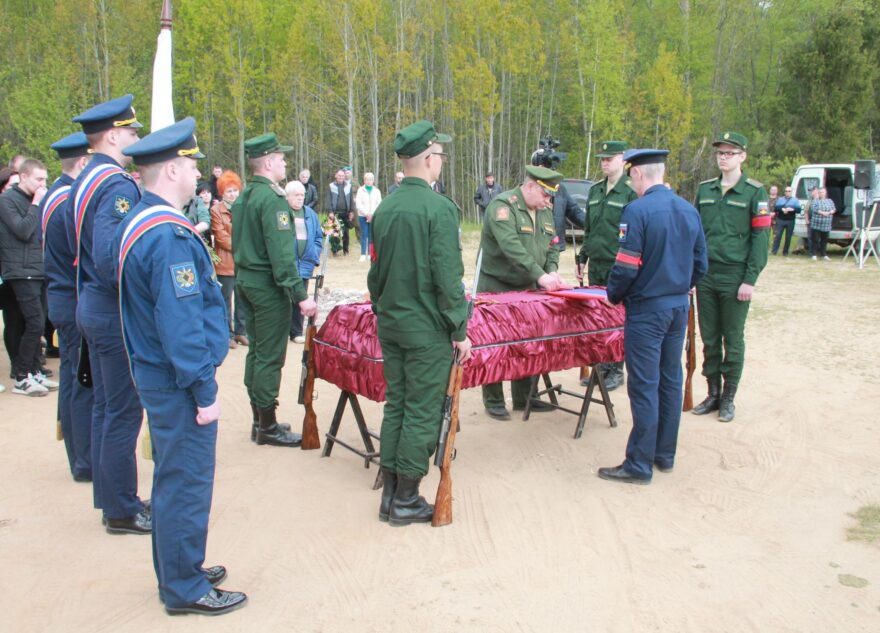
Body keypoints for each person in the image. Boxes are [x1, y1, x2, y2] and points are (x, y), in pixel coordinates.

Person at [116, 117, 246, 616]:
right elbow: (182, 325)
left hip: (159, 374)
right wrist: (204, 390)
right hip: (177, 382)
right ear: (171, 170)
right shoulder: (166, 236)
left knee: (175, 477)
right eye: (191, 165)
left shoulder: (144, 220)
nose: (198, 173)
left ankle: (179, 565)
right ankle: (184, 587)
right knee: (186, 481)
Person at [367, 119, 471, 527]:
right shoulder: (439, 209)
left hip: (392, 324)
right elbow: (447, 279)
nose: (441, 162)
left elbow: (376, 276)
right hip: (426, 329)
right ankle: (407, 499)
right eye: (440, 156)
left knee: (399, 405)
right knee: (423, 412)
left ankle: (391, 494)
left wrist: (384, 308)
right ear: (428, 159)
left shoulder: (385, 208)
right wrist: (459, 329)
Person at [597, 149, 708, 485]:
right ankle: (664, 454)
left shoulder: (637, 210)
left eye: (632, 177)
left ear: (639, 176)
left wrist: (613, 294)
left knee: (645, 385)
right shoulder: (689, 210)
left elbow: (626, 266)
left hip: (647, 310)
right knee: (670, 381)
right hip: (677, 307)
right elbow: (701, 263)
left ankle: (639, 464)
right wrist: (679, 287)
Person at [67, 94, 150, 533]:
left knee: (105, 407)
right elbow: (108, 257)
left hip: (91, 304)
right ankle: (121, 507)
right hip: (112, 309)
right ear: (114, 135)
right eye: (133, 133)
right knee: (123, 411)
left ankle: (110, 496)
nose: (136, 139)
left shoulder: (85, 178)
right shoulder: (116, 183)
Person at [232, 133, 317, 446]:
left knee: (256, 352)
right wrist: (300, 296)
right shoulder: (272, 199)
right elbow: (282, 257)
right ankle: (267, 426)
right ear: (267, 162)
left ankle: (260, 419)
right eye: (281, 159)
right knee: (269, 357)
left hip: (246, 281)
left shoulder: (245, 196)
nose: (284, 163)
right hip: (267, 286)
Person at [691, 132, 770, 423]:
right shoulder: (706, 190)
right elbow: (695, 234)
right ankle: (712, 392)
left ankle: (728, 398)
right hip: (707, 275)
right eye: (720, 153)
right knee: (710, 338)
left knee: (732, 339)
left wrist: (750, 279)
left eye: (730, 153)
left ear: (742, 156)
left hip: (736, 276)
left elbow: (761, 239)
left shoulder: (754, 192)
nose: (723, 157)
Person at [478, 165, 565, 420]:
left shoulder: (544, 211)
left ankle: (524, 397)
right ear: (529, 187)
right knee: (496, 345)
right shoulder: (502, 207)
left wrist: (552, 271)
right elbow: (511, 248)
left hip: (529, 289)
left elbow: (552, 246)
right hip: (498, 288)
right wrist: (541, 276)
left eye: (551, 197)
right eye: (545, 195)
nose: (548, 201)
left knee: (528, 344)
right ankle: (493, 400)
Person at [43, 132, 93, 481]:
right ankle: (84, 459)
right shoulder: (68, 201)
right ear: (84, 162)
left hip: (62, 296)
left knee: (73, 377)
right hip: (72, 297)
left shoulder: (56, 194)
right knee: (81, 381)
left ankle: (77, 452)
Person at [576, 140, 638, 391]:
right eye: (602, 159)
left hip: (618, 264)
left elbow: (634, 232)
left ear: (622, 160)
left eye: (609, 159)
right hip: (597, 263)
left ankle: (616, 368)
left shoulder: (630, 191)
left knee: (617, 317)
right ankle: (601, 364)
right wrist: (583, 257)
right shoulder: (595, 190)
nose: (604, 163)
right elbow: (590, 229)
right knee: (598, 316)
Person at [0, 158, 58, 395]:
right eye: (39, 179)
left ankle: (34, 370)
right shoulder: (7, 201)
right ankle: (22, 375)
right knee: (32, 322)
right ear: (23, 177)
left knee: (39, 321)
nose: (43, 184)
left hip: (37, 268)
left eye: (45, 179)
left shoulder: (32, 201)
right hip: (19, 270)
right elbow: (22, 230)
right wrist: (36, 204)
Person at [209, 170, 246, 348]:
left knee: (242, 299)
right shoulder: (216, 210)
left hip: (243, 262)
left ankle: (241, 331)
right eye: (228, 191)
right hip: (225, 262)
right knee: (225, 300)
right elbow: (221, 237)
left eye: (235, 190)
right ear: (222, 192)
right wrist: (242, 246)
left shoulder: (244, 207)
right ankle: (227, 334)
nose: (232, 194)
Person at [285, 180, 323, 343]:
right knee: (285, 299)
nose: (300, 198)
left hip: (305, 264)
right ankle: (282, 331)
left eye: (302, 195)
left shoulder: (310, 214)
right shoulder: (283, 213)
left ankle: (296, 331)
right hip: (288, 264)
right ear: (287, 197)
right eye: (296, 195)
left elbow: (318, 237)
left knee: (301, 298)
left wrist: (314, 253)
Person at [355, 172, 381, 262]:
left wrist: (372, 214)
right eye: (367, 179)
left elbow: (379, 203)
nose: (369, 181)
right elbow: (358, 203)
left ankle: (370, 254)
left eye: (371, 179)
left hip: (373, 216)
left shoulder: (377, 191)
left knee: (371, 235)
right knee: (364, 234)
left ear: (373, 180)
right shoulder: (360, 190)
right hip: (363, 216)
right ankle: (363, 254)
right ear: (364, 180)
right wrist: (366, 213)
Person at [327, 169, 353, 255]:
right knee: (335, 233)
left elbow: (351, 200)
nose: (341, 177)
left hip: (346, 213)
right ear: (336, 176)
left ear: (344, 176)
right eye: (339, 175)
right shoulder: (331, 186)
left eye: (342, 176)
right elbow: (328, 199)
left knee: (346, 233)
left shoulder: (348, 186)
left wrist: (351, 211)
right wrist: (330, 211)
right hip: (335, 213)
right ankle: (335, 250)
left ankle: (346, 250)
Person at [772, 186, 801, 256]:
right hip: (780, 220)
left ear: (791, 192)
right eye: (786, 191)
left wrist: (792, 209)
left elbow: (798, 210)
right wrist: (782, 209)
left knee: (788, 237)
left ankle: (785, 252)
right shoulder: (780, 199)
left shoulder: (795, 200)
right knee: (778, 236)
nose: (787, 192)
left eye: (789, 191)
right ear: (784, 192)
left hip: (790, 221)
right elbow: (776, 208)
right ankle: (774, 251)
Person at [809, 187, 835, 261]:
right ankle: (814, 254)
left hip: (826, 225)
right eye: (820, 192)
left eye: (823, 192)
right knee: (815, 240)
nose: (821, 194)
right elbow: (814, 209)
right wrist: (823, 213)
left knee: (824, 240)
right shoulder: (815, 201)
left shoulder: (830, 201)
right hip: (816, 224)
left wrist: (830, 212)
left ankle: (824, 255)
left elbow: (833, 209)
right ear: (818, 193)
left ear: (825, 193)